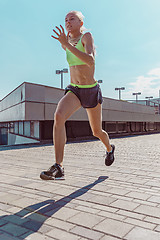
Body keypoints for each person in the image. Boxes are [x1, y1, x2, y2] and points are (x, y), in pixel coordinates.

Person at [40, 11, 115, 180]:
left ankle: (109, 148)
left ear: (81, 23)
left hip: (90, 89)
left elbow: (90, 61)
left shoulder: (86, 36)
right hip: (75, 89)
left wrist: (67, 45)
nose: (68, 21)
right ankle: (58, 166)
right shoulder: (65, 42)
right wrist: (66, 44)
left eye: (72, 18)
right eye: (66, 19)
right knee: (59, 116)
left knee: (96, 131)